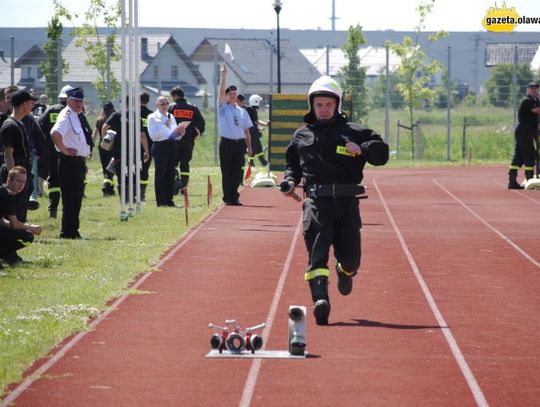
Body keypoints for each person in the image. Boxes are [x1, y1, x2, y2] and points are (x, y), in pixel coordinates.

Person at [282, 76, 389, 325]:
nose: (323, 109)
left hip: (347, 202)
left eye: (328, 105)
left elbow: (382, 152)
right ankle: (320, 299)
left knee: (351, 258)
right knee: (317, 254)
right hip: (316, 203)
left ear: (337, 105)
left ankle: (345, 272)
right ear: (312, 105)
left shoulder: (352, 132)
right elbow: (292, 166)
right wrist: (288, 182)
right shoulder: (301, 136)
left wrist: (362, 149)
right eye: (319, 105)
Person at [50, 87, 92, 239]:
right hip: (69, 162)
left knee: (76, 198)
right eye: (76, 101)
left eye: (81, 101)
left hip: (77, 162)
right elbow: (55, 134)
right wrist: (64, 150)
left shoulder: (77, 115)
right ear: (68, 100)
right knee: (70, 199)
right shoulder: (66, 115)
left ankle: (73, 230)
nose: (79, 104)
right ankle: (68, 232)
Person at [0, 89, 37, 223]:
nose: (32, 105)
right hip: (15, 173)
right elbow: (8, 154)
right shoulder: (10, 125)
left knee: (21, 209)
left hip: (22, 171)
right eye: (30, 102)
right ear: (23, 104)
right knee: (13, 211)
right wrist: (14, 179)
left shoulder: (20, 123)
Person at [218, 64, 252, 206]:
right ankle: (228, 198)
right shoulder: (223, 108)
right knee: (227, 172)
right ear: (226, 96)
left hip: (239, 144)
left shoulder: (242, 111)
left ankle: (235, 196)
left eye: (234, 94)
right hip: (227, 143)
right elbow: (220, 91)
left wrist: (249, 147)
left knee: (237, 172)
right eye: (230, 94)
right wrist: (223, 76)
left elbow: (246, 130)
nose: (233, 96)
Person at [102, 96, 150, 200]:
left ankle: (124, 199)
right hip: (135, 151)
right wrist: (146, 151)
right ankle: (134, 198)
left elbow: (104, 127)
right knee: (134, 175)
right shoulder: (137, 116)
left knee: (122, 175)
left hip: (120, 151)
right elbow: (142, 135)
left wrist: (105, 140)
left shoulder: (117, 115)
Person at [37, 85, 73, 217]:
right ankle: (67, 210)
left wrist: (43, 146)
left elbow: (39, 127)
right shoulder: (73, 112)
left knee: (54, 181)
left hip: (51, 152)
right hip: (69, 153)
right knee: (68, 181)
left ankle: (53, 209)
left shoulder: (50, 110)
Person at [148, 96, 185, 206]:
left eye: (166, 103)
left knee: (170, 174)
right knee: (160, 175)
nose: (165, 106)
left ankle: (169, 200)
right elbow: (153, 135)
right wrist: (165, 126)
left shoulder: (171, 116)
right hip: (160, 146)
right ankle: (160, 201)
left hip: (171, 146)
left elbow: (172, 133)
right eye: (162, 104)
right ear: (157, 105)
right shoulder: (152, 117)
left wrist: (180, 134)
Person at [0, 166, 42, 265]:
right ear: (9, 180)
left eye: (24, 181)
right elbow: (14, 224)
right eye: (18, 180)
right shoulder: (7, 195)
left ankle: (9, 256)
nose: (21, 184)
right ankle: (7, 255)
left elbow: (1, 221)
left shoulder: (3, 190)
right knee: (27, 236)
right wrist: (31, 228)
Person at [168, 86, 206, 193]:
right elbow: (201, 123)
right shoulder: (192, 107)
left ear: (175, 96)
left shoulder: (172, 107)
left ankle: (174, 187)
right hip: (188, 141)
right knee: (185, 163)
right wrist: (195, 134)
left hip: (174, 141)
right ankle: (184, 188)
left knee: (173, 164)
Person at [508, 81, 540, 189]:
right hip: (524, 130)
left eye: (535, 88)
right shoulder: (527, 101)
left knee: (518, 156)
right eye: (532, 88)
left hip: (526, 131)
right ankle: (529, 181)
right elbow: (537, 111)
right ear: (528, 90)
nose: (534, 90)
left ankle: (512, 182)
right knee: (530, 155)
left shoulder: (534, 100)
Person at [92, 101, 116, 197]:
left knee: (105, 168)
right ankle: (108, 187)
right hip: (113, 147)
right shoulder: (116, 119)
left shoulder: (99, 120)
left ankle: (108, 188)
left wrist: (90, 147)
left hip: (102, 147)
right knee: (111, 169)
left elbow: (94, 135)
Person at [246, 94, 270, 167]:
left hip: (252, 132)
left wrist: (259, 128)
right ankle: (252, 163)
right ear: (255, 102)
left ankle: (261, 162)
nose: (259, 103)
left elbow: (253, 122)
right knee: (255, 147)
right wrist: (266, 124)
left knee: (257, 147)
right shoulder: (252, 110)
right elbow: (257, 121)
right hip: (252, 133)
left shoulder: (250, 110)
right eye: (259, 101)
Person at [140, 92, 154, 201]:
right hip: (149, 146)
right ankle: (142, 193)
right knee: (145, 170)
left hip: (133, 146)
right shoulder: (151, 115)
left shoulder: (133, 114)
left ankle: (133, 192)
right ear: (148, 101)